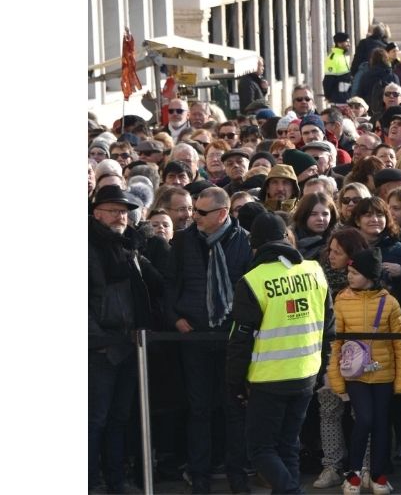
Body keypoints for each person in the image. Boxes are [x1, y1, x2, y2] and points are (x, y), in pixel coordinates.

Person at [226, 212, 334, 494]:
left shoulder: (253, 280)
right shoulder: (314, 270)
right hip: (306, 373)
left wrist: (235, 382)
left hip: (268, 378)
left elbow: (240, 339)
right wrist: (322, 367)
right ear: (286, 237)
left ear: (254, 244)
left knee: (260, 449)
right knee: (288, 445)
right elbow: (329, 327)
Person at [167, 186, 255, 494]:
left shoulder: (244, 241)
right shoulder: (183, 241)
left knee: (234, 409)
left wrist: (243, 327)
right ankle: (200, 475)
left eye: (201, 212)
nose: (194, 217)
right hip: (194, 335)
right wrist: (175, 318)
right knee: (199, 409)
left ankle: (237, 474)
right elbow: (169, 283)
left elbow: (250, 288)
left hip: (232, 338)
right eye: (194, 210)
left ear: (222, 214)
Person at [327, 248, 401, 495]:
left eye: (355, 273)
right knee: (364, 418)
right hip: (356, 375)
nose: (349, 276)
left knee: (382, 423)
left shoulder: (390, 303)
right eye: (349, 272)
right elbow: (335, 344)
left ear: (370, 276)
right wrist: (336, 380)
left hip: (384, 374)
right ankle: (353, 474)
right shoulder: (341, 300)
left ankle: (378, 474)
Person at [89, 185, 153, 494]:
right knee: (95, 420)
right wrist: (97, 340)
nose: (121, 217)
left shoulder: (129, 246)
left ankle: (116, 480)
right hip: (100, 347)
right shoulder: (86, 246)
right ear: (97, 213)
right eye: (114, 211)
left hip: (129, 343)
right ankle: (90, 481)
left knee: (119, 418)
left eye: (125, 212)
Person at [324, 32, 353, 103]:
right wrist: (328, 96)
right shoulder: (333, 58)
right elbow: (328, 79)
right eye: (347, 42)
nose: (349, 44)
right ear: (339, 43)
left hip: (346, 96)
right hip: (338, 98)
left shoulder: (342, 56)